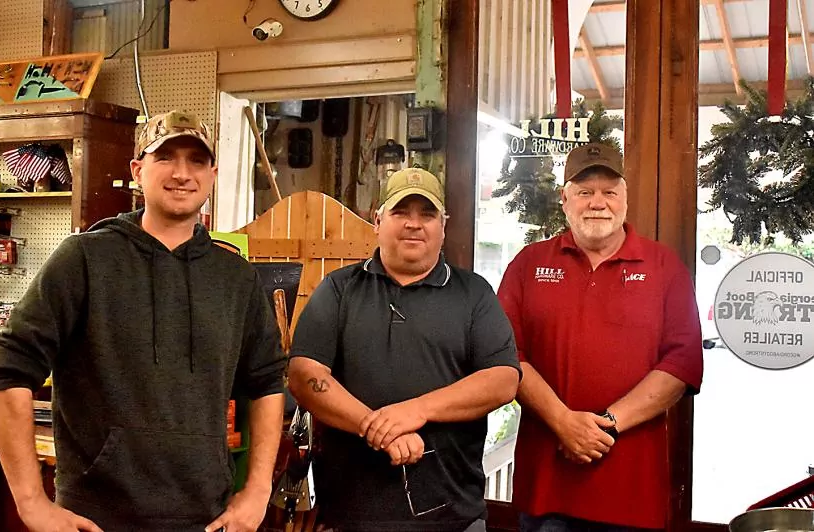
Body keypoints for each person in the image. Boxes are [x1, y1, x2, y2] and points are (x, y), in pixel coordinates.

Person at [0, 111, 286, 532]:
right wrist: (31, 501)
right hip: (95, 519)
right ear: (137, 170)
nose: (182, 173)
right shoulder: (84, 259)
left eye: (197, 161)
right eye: (165, 157)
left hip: (207, 518)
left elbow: (267, 382)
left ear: (213, 175)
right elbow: (10, 368)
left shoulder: (236, 278)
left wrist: (257, 490)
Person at [287, 167, 521, 532]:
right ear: (377, 221)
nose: (414, 224)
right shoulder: (338, 289)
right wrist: (378, 427)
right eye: (400, 212)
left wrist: (415, 411)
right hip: (349, 516)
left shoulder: (474, 294)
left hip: (454, 516)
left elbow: (503, 379)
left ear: (443, 226)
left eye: (427, 214)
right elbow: (305, 376)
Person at [497, 143, 704, 531]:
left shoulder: (664, 267)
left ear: (625, 198)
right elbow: (505, 356)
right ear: (564, 199)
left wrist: (606, 425)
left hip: (632, 497)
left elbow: (682, 363)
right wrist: (562, 422)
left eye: (609, 191)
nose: (598, 203)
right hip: (546, 492)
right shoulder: (528, 264)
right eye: (584, 192)